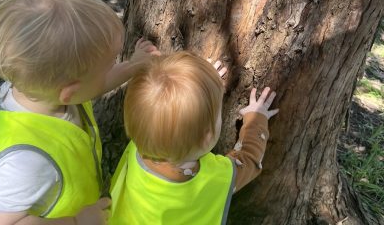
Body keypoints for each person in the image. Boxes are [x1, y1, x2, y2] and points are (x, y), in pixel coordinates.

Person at [0, 0, 159, 225]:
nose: (111, 70)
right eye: (109, 66)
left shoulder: (37, 91)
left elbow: (96, 84)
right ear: (69, 93)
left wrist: (133, 66)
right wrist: (76, 221)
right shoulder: (25, 161)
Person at [109, 51, 279, 225]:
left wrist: (200, 85)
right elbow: (249, 159)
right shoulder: (213, 177)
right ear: (207, 137)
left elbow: (167, 110)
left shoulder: (142, 143)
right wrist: (256, 118)